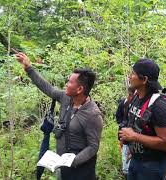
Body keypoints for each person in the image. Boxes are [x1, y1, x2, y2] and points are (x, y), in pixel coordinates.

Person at [15, 52, 103, 180]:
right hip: (62, 166)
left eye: (70, 82)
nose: (66, 84)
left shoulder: (93, 115)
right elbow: (48, 89)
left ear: (80, 89)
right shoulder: (66, 98)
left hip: (81, 172)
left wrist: (73, 161)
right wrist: (29, 68)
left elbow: (93, 147)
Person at [119, 58, 166, 180]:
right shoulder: (137, 97)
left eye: (133, 74)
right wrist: (133, 149)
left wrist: (134, 137)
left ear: (144, 79)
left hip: (152, 166)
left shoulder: (159, 105)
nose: (130, 77)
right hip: (136, 160)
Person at [115, 87, 135, 178]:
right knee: (125, 152)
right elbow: (118, 116)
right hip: (125, 134)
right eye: (131, 95)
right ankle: (126, 171)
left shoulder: (137, 104)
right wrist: (123, 126)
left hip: (134, 136)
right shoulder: (124, 103)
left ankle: (128, 171)